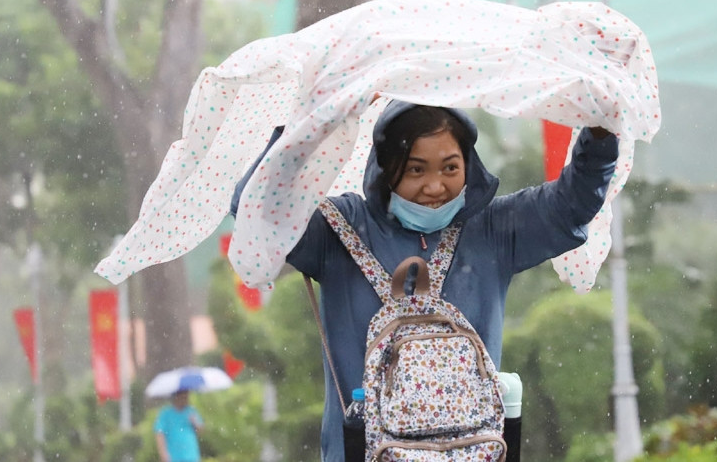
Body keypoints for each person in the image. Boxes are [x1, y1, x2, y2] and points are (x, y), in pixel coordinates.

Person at [281, 99, 618, 461]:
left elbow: (572, 205)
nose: (434, 186)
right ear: (385, 168)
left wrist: (598, 132)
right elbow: (262, 212)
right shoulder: (338, 231)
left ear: (468, 166)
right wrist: (294, 131)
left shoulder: (491, 230)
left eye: (450, 167)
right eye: (415, 170)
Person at [154, 390, 204, 462]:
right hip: (173, 456)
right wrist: (163, 454)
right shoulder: (165, 413)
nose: (186, 399)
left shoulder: (191, 411)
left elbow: (200, 430)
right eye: (183, 396)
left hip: (191, 455)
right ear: (176, 397)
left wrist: (195, 423)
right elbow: (159, 434)